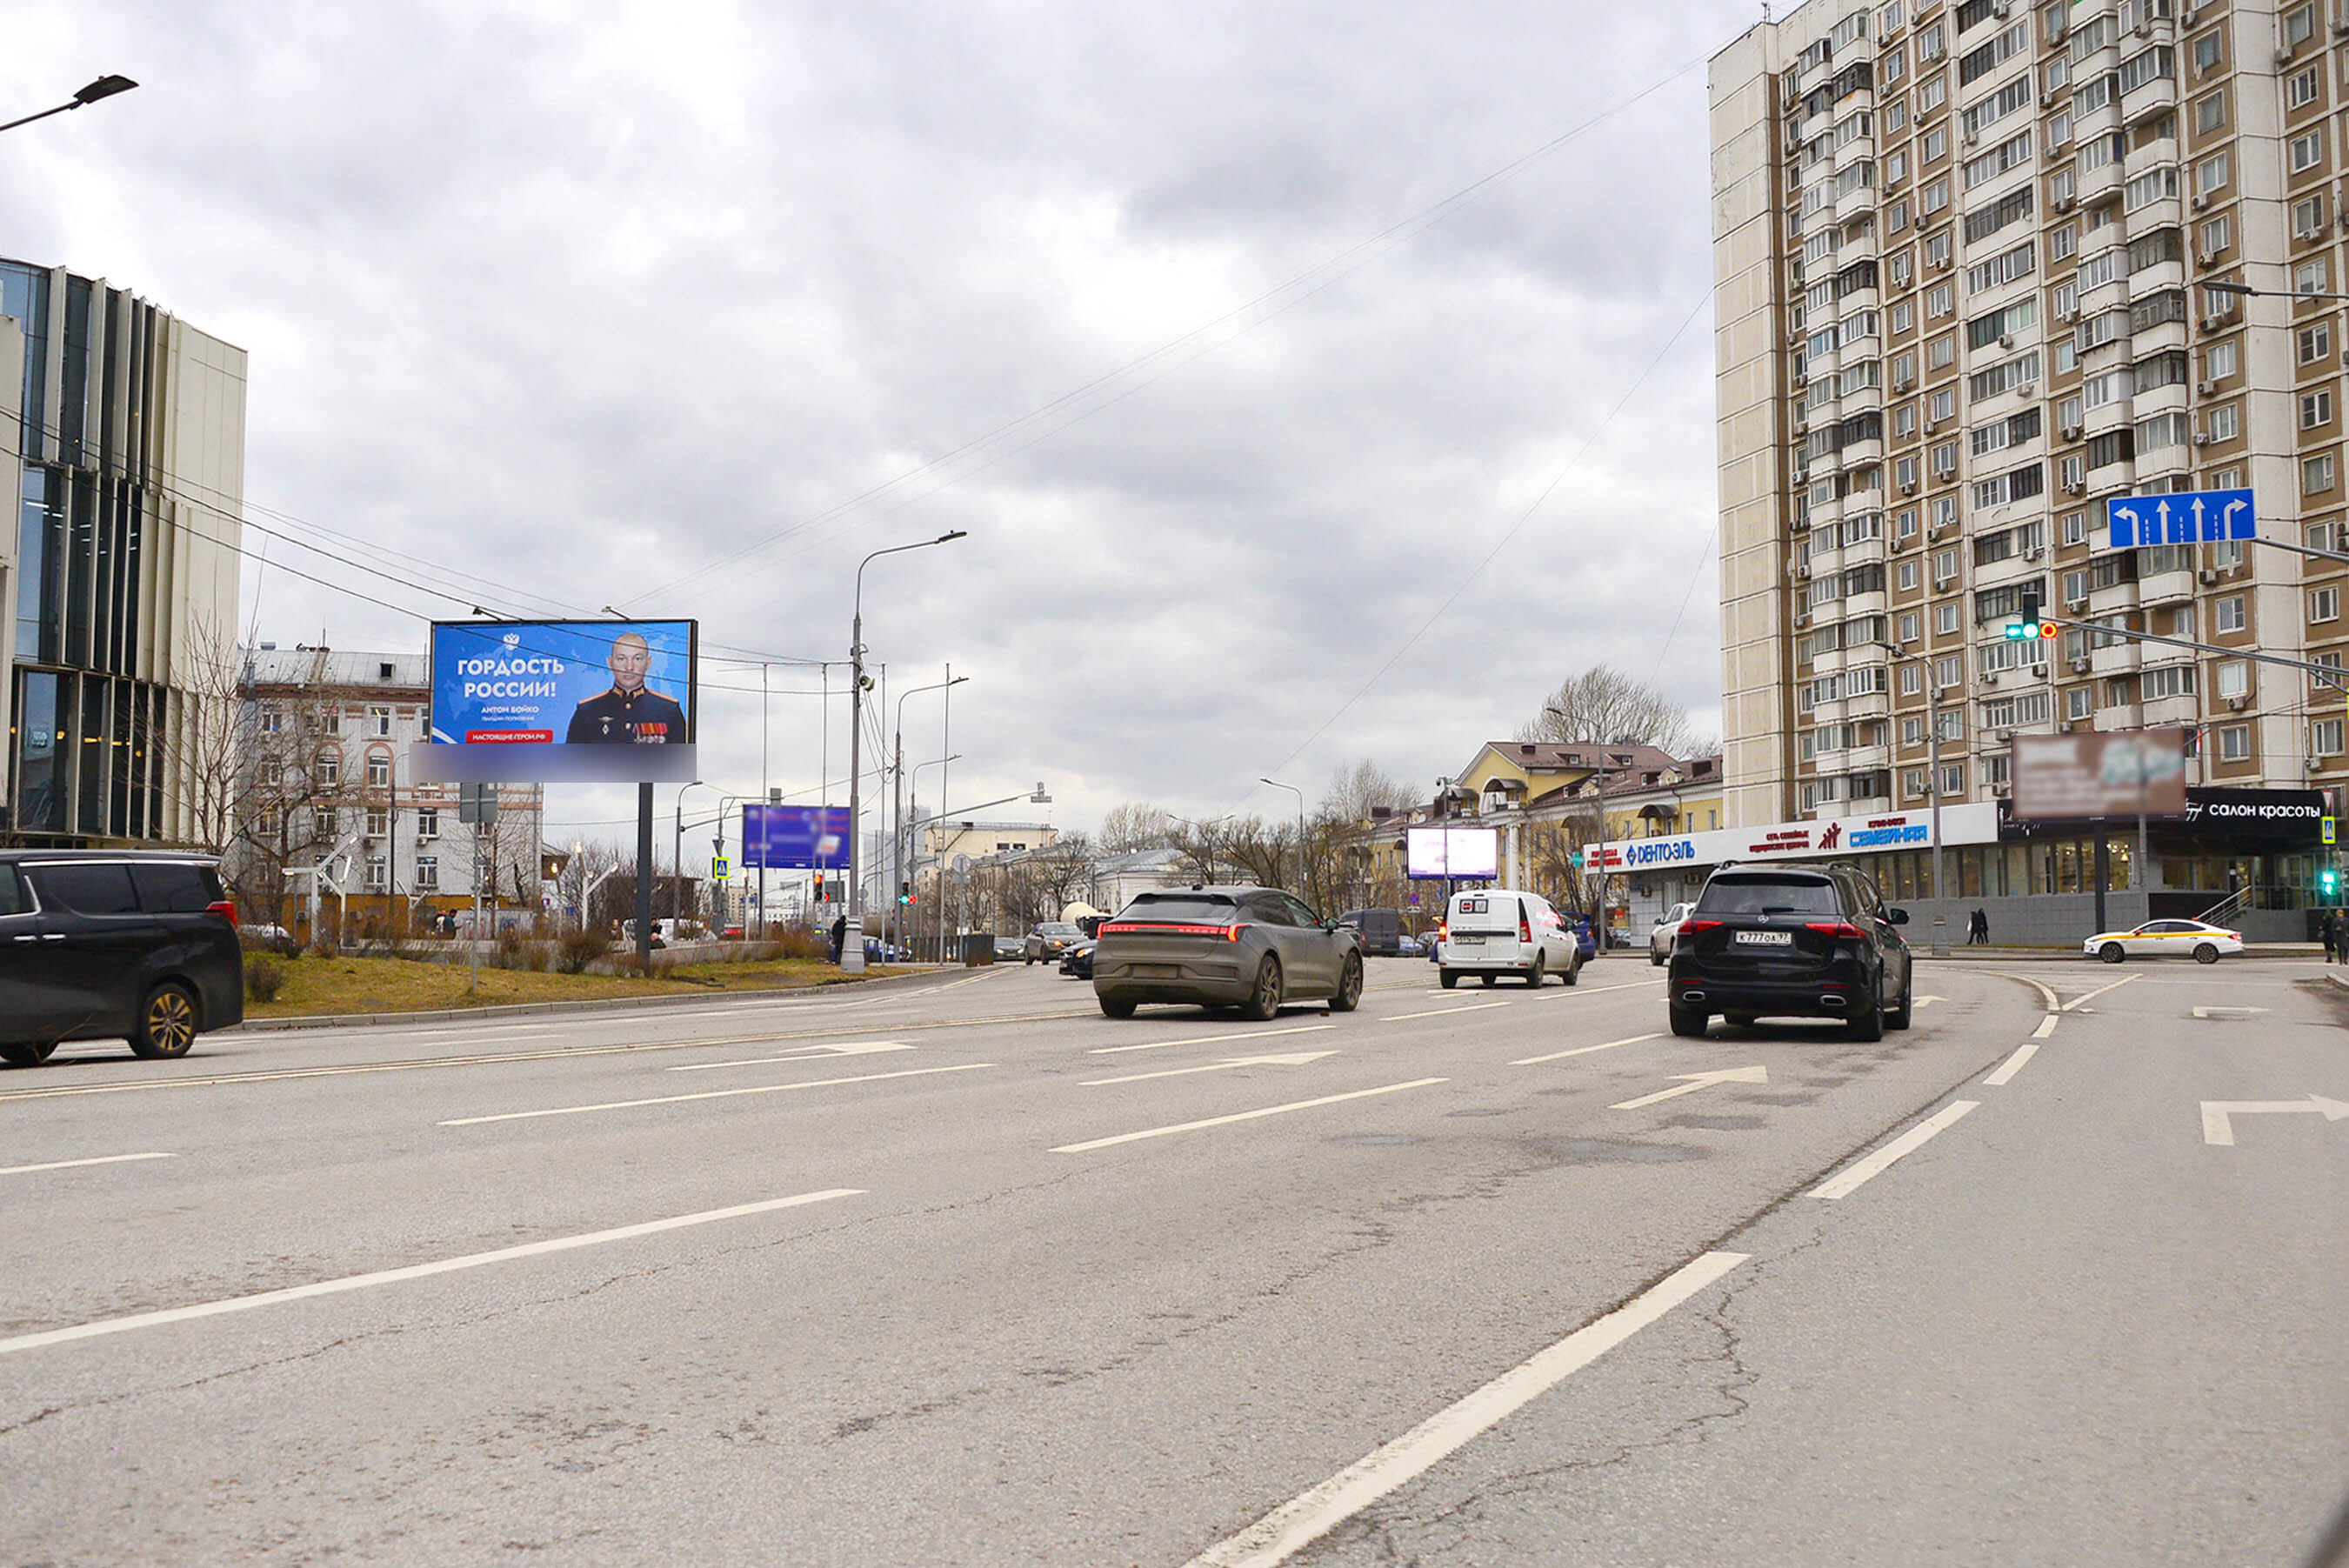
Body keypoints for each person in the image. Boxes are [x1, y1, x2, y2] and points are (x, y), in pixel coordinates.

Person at [565, 631, 687, 744]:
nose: (629, 667)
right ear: (610, 662)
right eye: (621, 659)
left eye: (638, 659)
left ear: (648, 663)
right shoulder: (587, 710)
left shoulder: (669, 710)